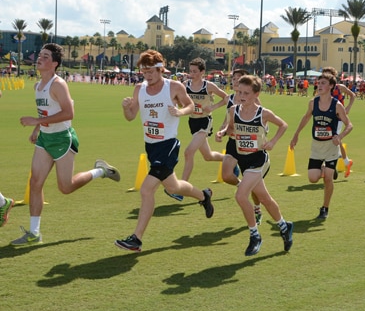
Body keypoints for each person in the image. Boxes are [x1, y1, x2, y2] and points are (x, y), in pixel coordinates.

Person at [13, 43, 120, 246]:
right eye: (40, 55)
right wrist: (37, 129)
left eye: (45, 56)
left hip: (63, 138)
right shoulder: (38, 86)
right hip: (45, 138)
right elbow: (44, 112)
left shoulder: (58, 84)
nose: (40, 58)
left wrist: (35, 122)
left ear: (54, 63)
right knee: (35, 183)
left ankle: (100, 171)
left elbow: (69, 113)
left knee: (66, 187)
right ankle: (34, 233)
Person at [115, 50, 214, 253]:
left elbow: (190, 105)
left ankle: (136, 239)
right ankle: (203, 196)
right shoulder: (138, 89)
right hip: (150, 145)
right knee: (174, 187)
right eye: (144, 71)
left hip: (168, 145)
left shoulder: (174, 87)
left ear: (160, 69)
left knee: (146, 189)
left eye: (151, 71)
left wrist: (180, 111)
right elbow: (131, 116)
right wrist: (126, 107)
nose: (147, 75)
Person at [217, 75, 293, 256]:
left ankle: (255, 235)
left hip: (258, 160)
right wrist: (221, 132)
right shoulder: (234, 111)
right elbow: (230, 129)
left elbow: (283, 125)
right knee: (265, 198)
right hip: (241, 157)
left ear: (256, 94)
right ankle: (284, 225)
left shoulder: (263, 113)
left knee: (241, 195)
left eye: (246, 93)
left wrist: (273, 141)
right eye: (239, 92)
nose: (241, 96)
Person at [290, 73, 353, 219]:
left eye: (323, 83)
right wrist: (296, 134)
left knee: (328, 179)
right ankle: (326, 169)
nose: (319, 85)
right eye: (319, 83)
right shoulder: (313, 102)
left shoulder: (337, 105)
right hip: (316, 146)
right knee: (312, 178)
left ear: (331, 86)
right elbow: (306, 117)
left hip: (331, 146)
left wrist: (340, 136)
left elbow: (349, 125)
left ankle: (325, 208)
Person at [215, 69, 263, 225]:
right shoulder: (230, 99)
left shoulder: (253, 101)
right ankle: (243, 186)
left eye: (238, 79)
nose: (235, 81)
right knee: (226, 175)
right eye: (234, 79)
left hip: (250, 146)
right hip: (233, 143)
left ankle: (257, 207)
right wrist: (222, 131)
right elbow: (227, 122)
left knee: (256, 187)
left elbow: (262, 121)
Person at [180, 57, 228, 182]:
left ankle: (181, 187)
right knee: (208, 156)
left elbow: (226, 98)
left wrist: (213, 107)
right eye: (190, 71)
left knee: (188, 152)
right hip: (192, 121)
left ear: (202, 72)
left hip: (204, 122)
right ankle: (230, 160)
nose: (192, 74)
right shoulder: (185, 85)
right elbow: (178, 100)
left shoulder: (208, 86)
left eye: (195, 71)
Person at [322, 67, 355, 177]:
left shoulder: (340, 87)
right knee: (333, 139)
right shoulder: (324, 89)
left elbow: (352, 95)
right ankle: (346, 161)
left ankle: (330, 165)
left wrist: (348, 108)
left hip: (339, 118)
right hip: (327, 118)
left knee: (333, 138)